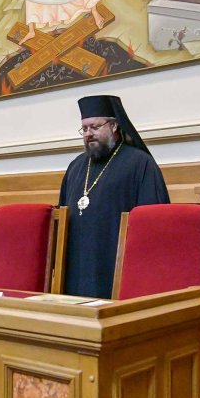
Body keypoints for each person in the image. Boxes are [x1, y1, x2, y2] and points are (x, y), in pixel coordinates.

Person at [59, 95, 169, 299]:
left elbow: (153, 227)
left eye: (95, 127)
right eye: (84, 129)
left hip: (117, 271)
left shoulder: (140, 165)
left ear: (115, 126)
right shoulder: (75, 167)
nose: (88, 134)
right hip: (77, 271)